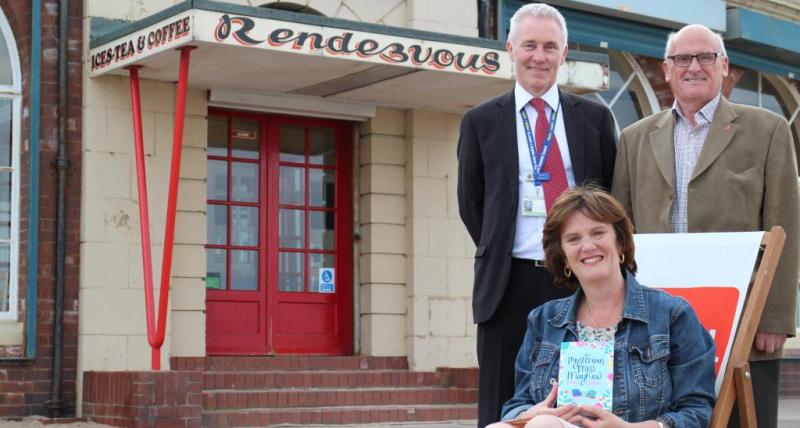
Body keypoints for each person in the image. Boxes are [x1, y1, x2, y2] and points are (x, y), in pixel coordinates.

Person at [611, 23, 799, 428]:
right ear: (666, 69)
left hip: (744, 317)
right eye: (682, 58)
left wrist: (775, 318)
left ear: (724, 65)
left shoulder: (768, 130)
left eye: (705, 56)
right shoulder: (633, 139)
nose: (693, 66)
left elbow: (786, 226)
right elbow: (619, 236)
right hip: (658, 320)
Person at [456, 4, 617, 426]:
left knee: (579, 403)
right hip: (506, 283)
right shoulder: (479, 121)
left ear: (564, 53)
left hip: (577, 281)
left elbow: (610, 199)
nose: (539, 57)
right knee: (501, 405)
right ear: (510, 48)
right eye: (530, 45)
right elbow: (471, 204)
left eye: (550, 46)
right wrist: (504, 247)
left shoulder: (596, 120)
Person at [489, 187, 716, 428]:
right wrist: (535, 412)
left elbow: (697, 412)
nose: (587, 247)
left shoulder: (672, 315)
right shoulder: (544, 320)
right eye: (573, 239)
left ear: (620, 243)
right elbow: (515, 407)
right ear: (564, 257)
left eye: (598, 233)